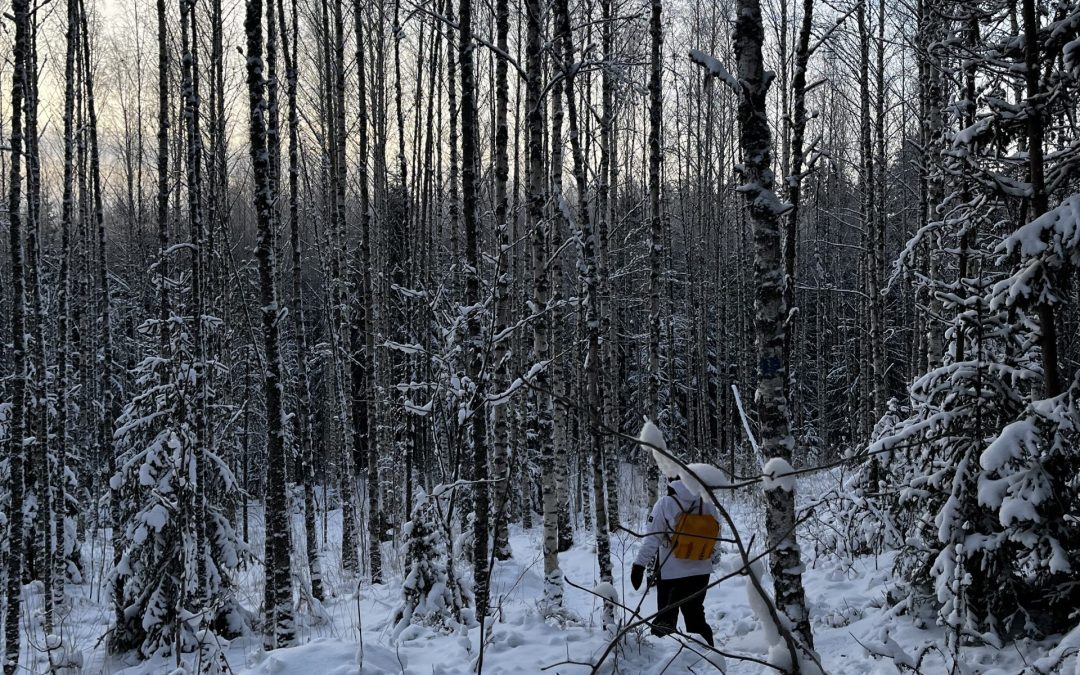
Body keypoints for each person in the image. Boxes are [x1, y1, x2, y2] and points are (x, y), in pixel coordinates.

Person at [630, 478, 718, 647]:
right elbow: (716, 535)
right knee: (696, 618)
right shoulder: (707, 503)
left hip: (671, 573)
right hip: (701, 572)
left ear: (671, 481)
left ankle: (664, 663)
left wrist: (639, 565)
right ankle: (709, 657)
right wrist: (711, 558)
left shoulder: (665, 503)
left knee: (665, 620)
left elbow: (652, 540)